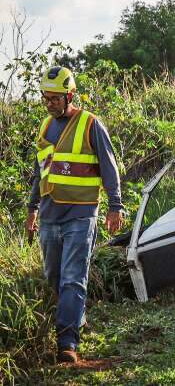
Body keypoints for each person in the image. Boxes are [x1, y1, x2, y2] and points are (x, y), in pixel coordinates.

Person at [25, 66, 124, 363]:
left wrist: (115, 206)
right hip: (50, 215)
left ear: (70, 95)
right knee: (54, 275)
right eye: (47, 98)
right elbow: (38, 173)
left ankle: (67, 342)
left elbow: (109, 168)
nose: (50, 102)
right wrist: (31, 209)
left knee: (72, 278)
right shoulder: (44, 127)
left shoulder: (91, 124)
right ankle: (76, 316)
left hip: (81, 215)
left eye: (56, 98)